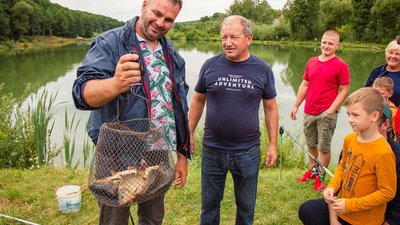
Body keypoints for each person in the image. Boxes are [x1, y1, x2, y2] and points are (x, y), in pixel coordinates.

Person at [72, 0, 190, 224]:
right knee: (114, 220)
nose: (160, 23)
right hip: (117, 153)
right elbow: (81, 94)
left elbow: (179, 106)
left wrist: (182, 156)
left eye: (169, 20)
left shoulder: (172, 53)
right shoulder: (110, 43)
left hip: (157, 152)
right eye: (157, 13)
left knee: (153, 218)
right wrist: (115, 84)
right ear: (144, 5)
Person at [188, 15, 278, 225]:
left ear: (249, 38)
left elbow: (271, 107)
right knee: (209, 206)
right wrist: (189, 133)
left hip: (247, 151)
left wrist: (273, 144)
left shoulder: (262, 69)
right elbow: (198, 99)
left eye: (234, 37)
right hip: (212, 149)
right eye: (224, 37)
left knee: (246, 208)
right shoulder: (210, 65)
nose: (227, 43)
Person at [298, 87, 397, 225]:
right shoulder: (349, 139)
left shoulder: (383, 152)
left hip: (365, 220)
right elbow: (342, 167)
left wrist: (350, 205)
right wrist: (332, 187)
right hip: (341, 211)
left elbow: (387, 192)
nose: (350, 120)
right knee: (306, 210)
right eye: (348, 114)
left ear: (375, 116)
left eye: (356, 115)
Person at [290, 30, 350, 191]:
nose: (326, 45)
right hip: (309, 110)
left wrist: (332, 109)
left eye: (330, 43)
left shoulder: (341, 65)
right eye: (324, 42)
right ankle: (313, 171)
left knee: (324, 147)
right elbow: (305, 85)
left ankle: (320, 176)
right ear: (320, 42)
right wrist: (296, 105)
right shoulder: (311, 62)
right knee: (311, 144)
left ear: (337, 46)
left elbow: (344, 89)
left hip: (327, 112)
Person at [365, 36, 400, 107]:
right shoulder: (377, 72)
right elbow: (365, 94)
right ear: (386, 53)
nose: (393, 56)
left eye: (397, 54)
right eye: (390, 52)